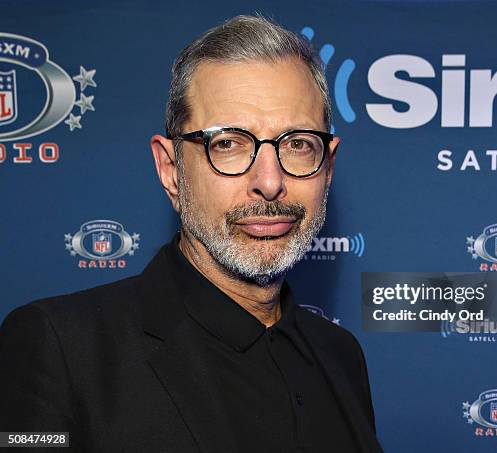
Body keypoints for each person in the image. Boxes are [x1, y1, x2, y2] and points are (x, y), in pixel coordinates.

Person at [0, 14, 383, 453]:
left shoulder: (341, 355)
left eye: (297, 144)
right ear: (171, 170)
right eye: (228, 143)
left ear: (327, 166)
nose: (270, 180)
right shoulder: (62, 348)